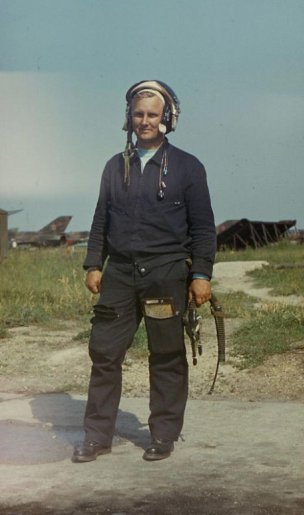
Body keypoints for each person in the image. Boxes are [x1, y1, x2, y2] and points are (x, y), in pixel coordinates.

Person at [72, 80, 216, 463]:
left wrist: (201, 273)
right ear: (129, 118)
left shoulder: (187, 167)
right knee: (104, 352)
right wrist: (92, 264)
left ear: (166, 118)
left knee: (166, 353)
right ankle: (97, 436)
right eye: (139, 114)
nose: (145, 121)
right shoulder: (114, 166)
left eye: (153, 114)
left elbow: (202, 226)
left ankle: (164, 435)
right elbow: (101, 218)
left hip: (165, 275)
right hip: (119, 274)